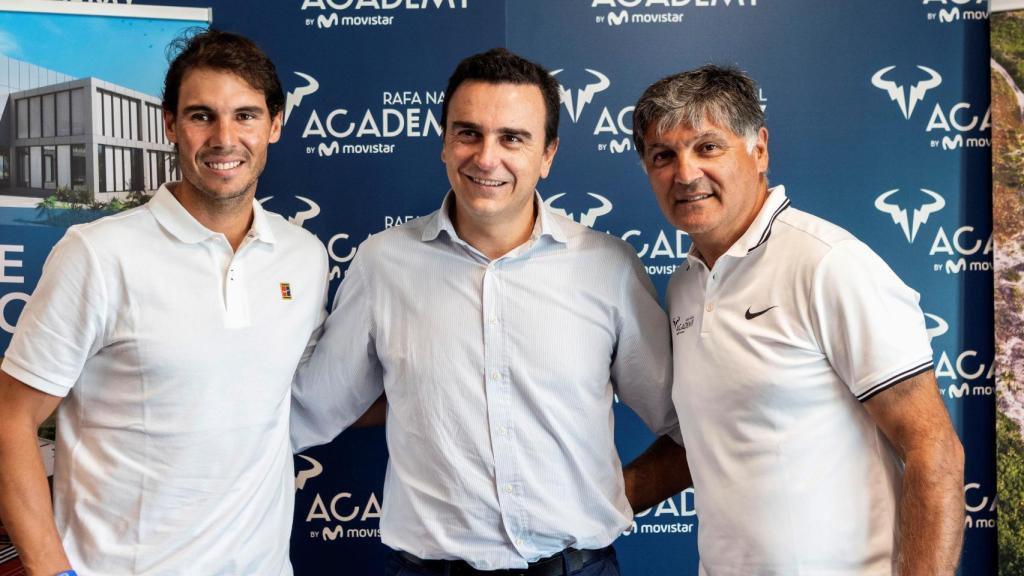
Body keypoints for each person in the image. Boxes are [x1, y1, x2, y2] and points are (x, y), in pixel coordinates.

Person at [291, 48, 689, 576]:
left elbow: (689, 425)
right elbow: (310, 408)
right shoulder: (382, 263)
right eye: (468, 133)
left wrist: (606, 499)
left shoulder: (608, 269)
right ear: (443, 144)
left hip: (576, 567)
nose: (485, 157)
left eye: (513, 138)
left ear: (547, 154)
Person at [0, 29, 327, 575]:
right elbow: (11, 420)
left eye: (245, 116)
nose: (225, 138)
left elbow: (307, 393)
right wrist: (53, 572)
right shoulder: (97, 255)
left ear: (275, 124)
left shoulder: (304, 257)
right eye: (202, 116)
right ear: (171, 125)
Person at [632, 65, 965, 575]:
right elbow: (707, 440)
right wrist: (588, 500)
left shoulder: (827, 264)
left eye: (707, 147)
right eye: (663, 155)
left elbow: (932, 448)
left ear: (758, 149)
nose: (685, 173)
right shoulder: (684, 286)